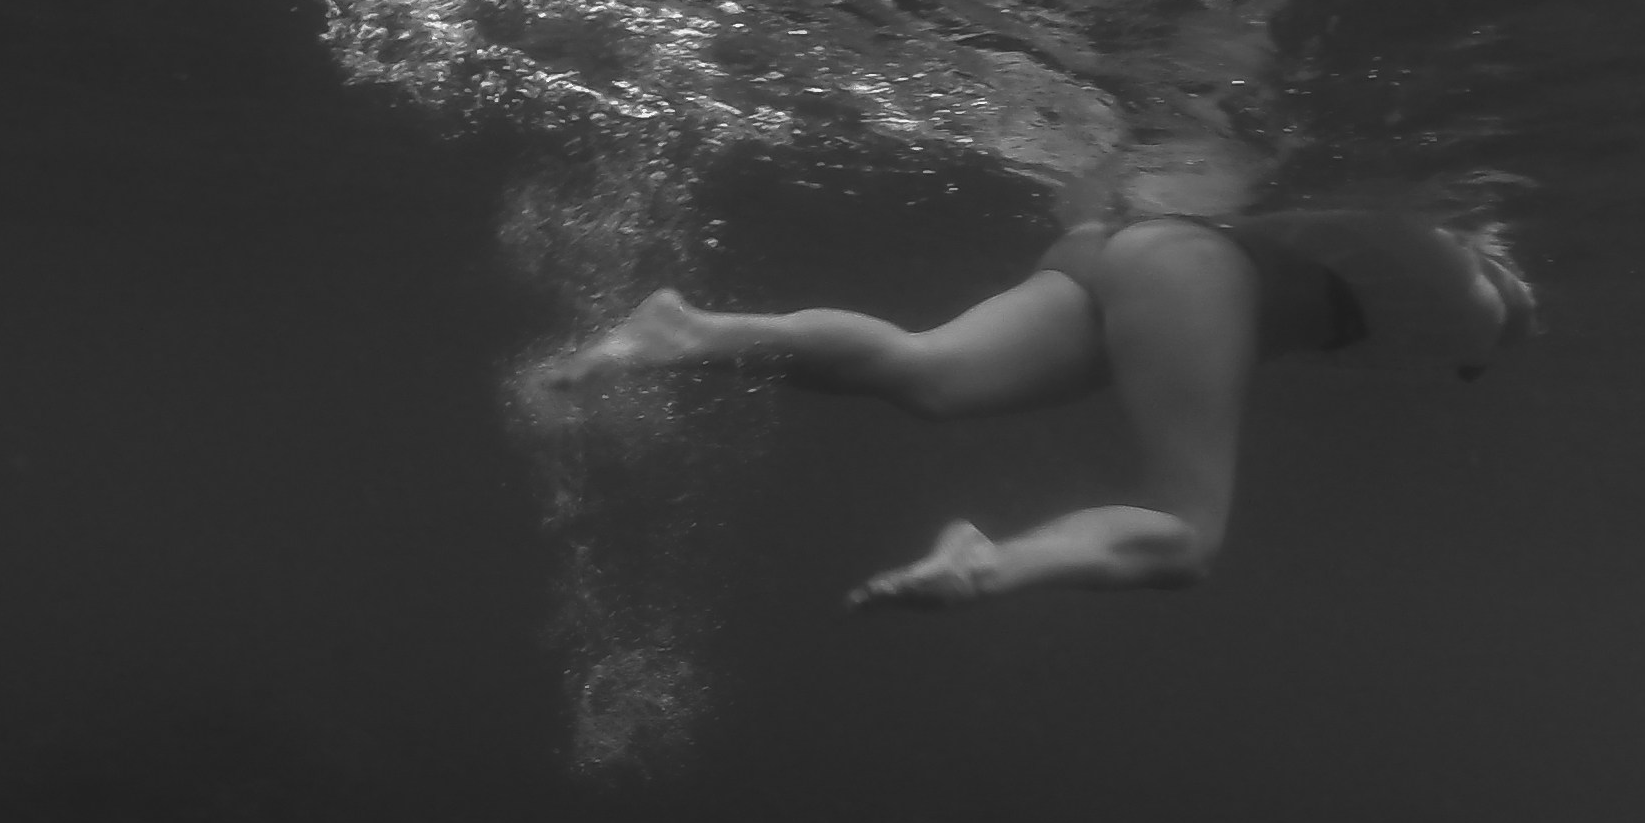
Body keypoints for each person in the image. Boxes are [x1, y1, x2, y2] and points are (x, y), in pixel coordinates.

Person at [538, 204, 1539, 607]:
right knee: (1187, 535)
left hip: (1123, 235)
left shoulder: (1424, 258)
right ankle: (990, 566)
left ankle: (690, 336)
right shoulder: (1476, 308)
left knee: (929, 373)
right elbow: (1498, 322)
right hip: (1194, 271)